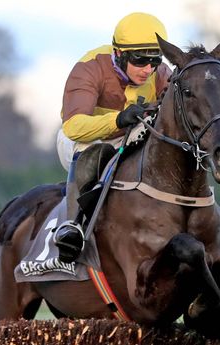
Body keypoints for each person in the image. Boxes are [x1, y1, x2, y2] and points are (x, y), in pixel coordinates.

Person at [53, 12, 173, 263]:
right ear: (119, 54)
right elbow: (74, 126)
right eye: (140, 61)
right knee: (93, 151)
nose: (148, 70)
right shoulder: (90, 67)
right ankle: (72, 227)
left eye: (154, 61)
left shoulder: (160, 73)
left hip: (130, 134)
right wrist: (117, 120)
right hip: (83, 140)